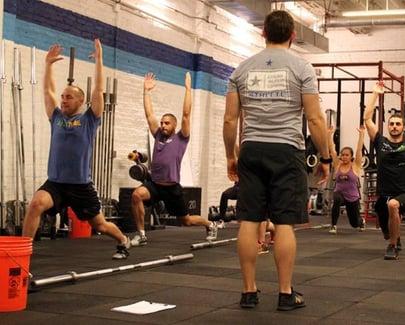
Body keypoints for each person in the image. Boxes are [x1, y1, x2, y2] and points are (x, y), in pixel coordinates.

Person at [223, 10, 330, 311]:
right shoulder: (302, 68)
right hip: (287, 151)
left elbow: (231, 120)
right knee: (284, 222)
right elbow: (315, 119)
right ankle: (285, 294)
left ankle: (249, 292)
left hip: (252, 149)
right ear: (293, 35)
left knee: (249, 219)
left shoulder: (241, 70)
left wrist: (231, 155)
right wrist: (325, 157)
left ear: (263, 33)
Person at [22, 40, 131, 259]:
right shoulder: (56, 118)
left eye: (68, 97)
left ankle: (123, 240)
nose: (63, 100)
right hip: (56, 183)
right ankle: (23, 252)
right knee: (35, 204)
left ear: (81, 101)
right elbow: (47, 90)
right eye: (62, 97)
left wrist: (99, 60)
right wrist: (48, 65)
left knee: (99, 225)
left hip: (80, 185)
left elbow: (99, 90)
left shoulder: (89, 119)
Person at [129, 72, 218, 247]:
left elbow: (186, 114)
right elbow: (149, 115)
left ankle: (210, 224)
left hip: (172, 188)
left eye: (166, 123)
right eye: (162, 123)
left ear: (174, 125)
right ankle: (141, 234)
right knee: (136, 195)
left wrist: (187, 90)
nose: (162, 125)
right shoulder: (157, 136)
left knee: (186, 221)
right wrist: (146, 91)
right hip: (155, 185)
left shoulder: (181, 138)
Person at [364, 80, 405, 260]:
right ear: (388, 127)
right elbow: (367, 119)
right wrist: (375, 94)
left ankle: (392, 246)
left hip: (404, 193)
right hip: (384, 193)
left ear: (404, 127)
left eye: (398, 124)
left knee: (393, 205)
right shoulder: (380, 142)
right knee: (386, 216)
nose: (394, 126)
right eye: (391, 124)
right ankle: (394, 236)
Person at [327, 125, 366, 234]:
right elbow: (332, 149)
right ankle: (333, 225)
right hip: (340, 193)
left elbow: (359, 149)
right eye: (342, 155)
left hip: (352, 197)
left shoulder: (355, 166)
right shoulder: (337, 164)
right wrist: (329, 134)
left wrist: (362, 134)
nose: (344, 157)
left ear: (351, 157)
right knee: (337, 199)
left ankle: (361, 221)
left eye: (346, 155)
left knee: (354, 223)